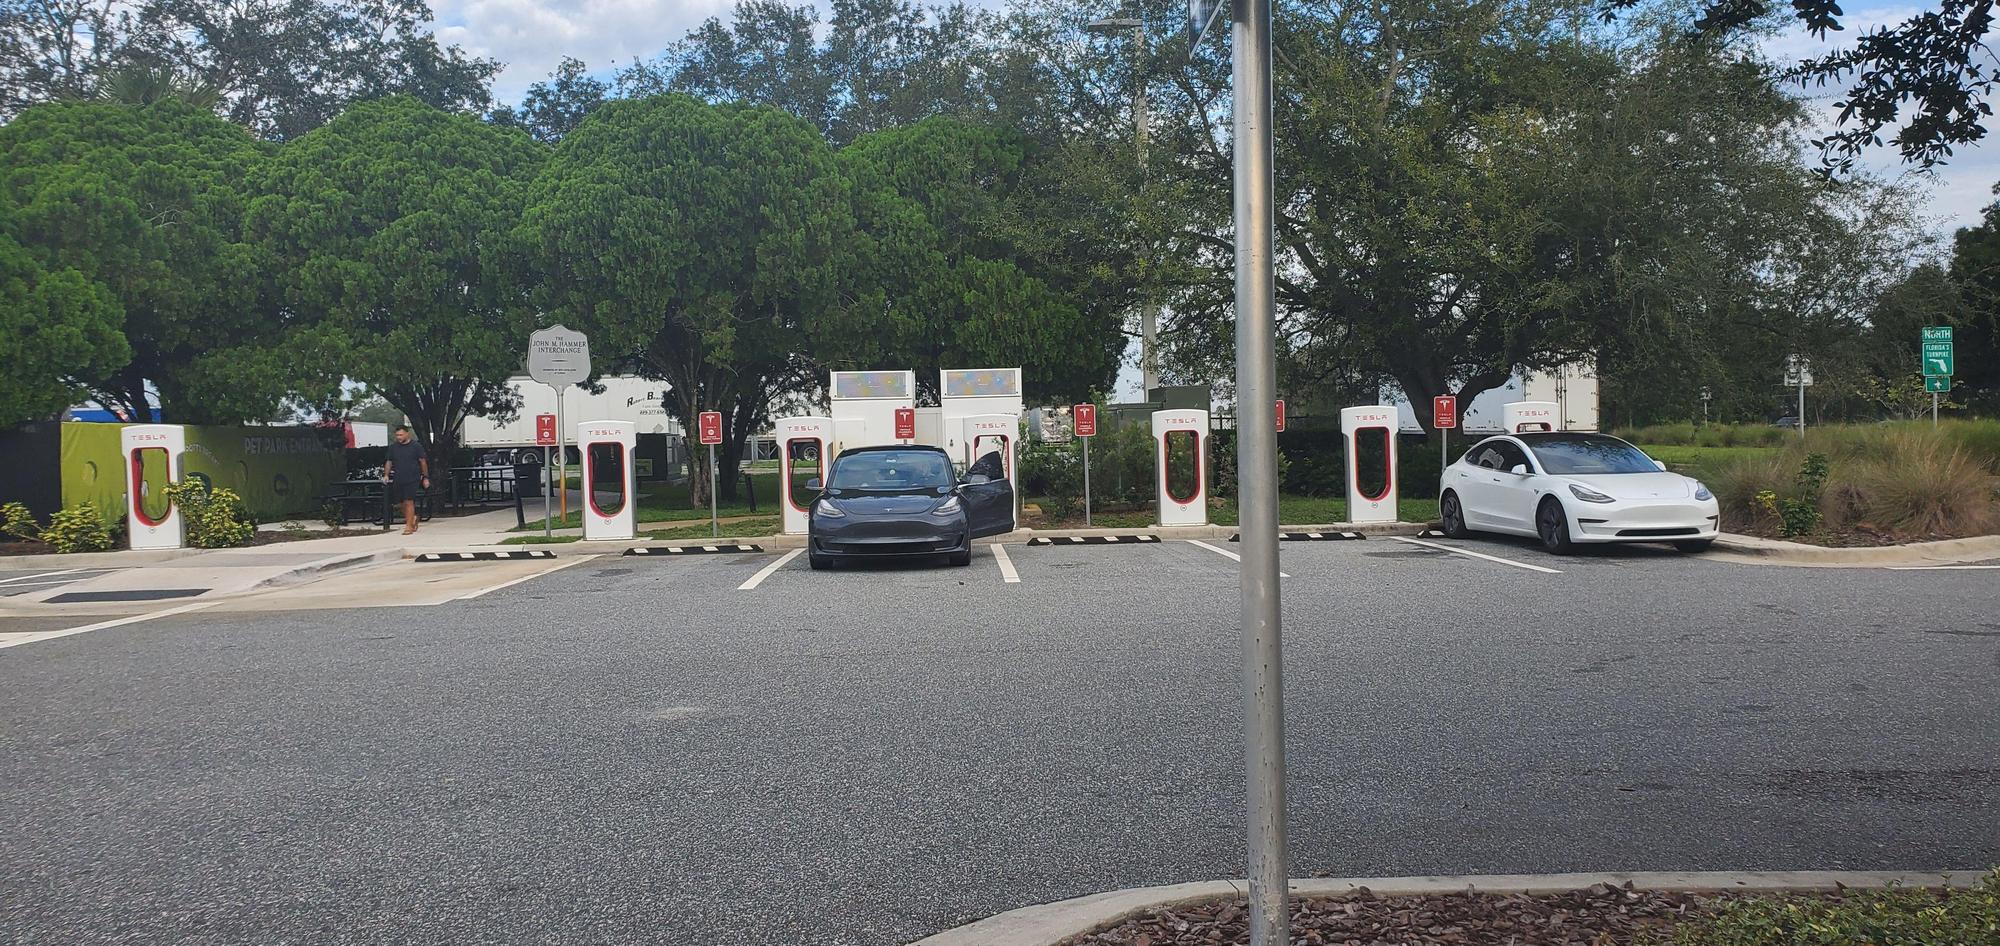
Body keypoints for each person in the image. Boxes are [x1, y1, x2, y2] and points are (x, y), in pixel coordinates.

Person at [382, 426, 430, 535]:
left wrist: (425, 477)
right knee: (399, 503)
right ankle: (412, 518)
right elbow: (389, 461)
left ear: (407, 434)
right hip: (398, 477)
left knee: (409, 501)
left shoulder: (416, 446)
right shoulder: (393, 448)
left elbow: (423, 461)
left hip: (413, 477)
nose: (399, 437)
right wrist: (386, 474)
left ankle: (408, 526)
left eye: (401, 435)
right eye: (397, 435)